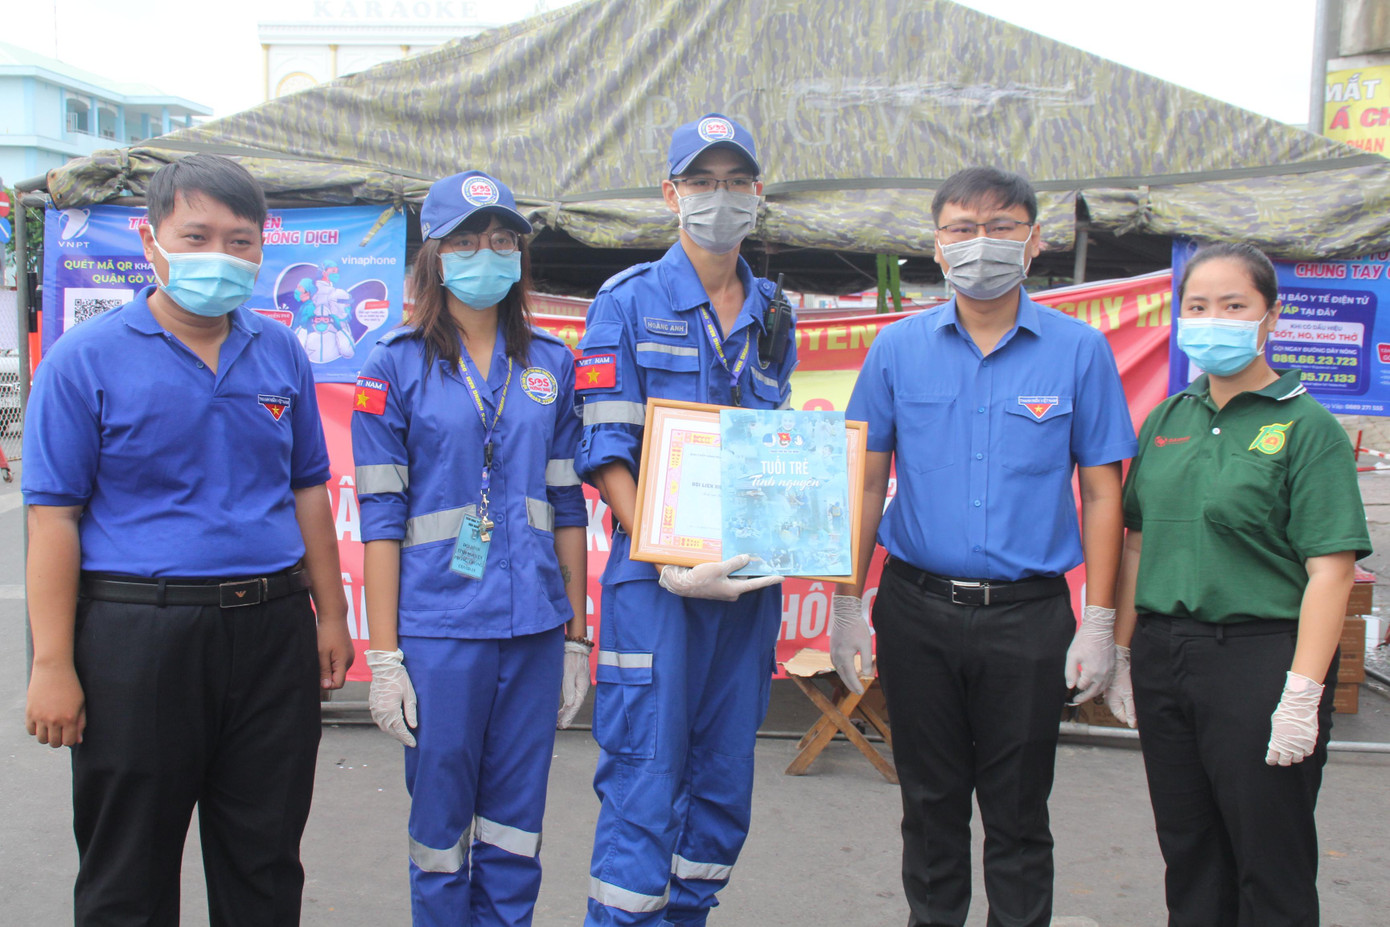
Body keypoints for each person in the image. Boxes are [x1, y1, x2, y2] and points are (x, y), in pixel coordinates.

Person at [21, 153, 353, 925]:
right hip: (138, 637)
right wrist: (52, 663)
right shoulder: (84, 359)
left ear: (261, 249)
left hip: (272, 633)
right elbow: (53, 518)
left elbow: (308, 488)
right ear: (151, 240)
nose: (219, 256)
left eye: (240, 241)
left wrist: (331, 616)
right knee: (127, 872)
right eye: (196, 236)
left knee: (265, 862)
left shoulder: (280, 351)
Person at [830, 166, 1138, 927]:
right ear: (938, 246)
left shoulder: (1079, 351)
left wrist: (1101, 623)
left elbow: (1104, 493)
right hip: (917, 609)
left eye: (1001, 227)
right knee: (929, 805)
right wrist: (845, 602)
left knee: (1019, 811)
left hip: (1028, 619)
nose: (981, 244)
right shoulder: (897, 349)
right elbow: (865, 484)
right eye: (962, 229)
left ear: (1033, 242)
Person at [1106, 242, 1369, 927]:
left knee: (1269, 858)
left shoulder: (1307, 427)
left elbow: (1332, 570)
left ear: (1270, 316)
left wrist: (1302, 693)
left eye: (1233, 305)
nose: (1212, 320)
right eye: (1197, 306)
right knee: (1189, 850)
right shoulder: (1167, 419)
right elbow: (1137, 543)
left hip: (1259, 659)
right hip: (1166, 654)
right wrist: (1122, 650)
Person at [573, 112, 794, 927]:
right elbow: (607, 451)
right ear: (671, 194)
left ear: (757, 194)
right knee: (645, 779)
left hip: (745, 586)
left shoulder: (775, 311)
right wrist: (664, 554)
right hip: (656, 586)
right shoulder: (626, 302)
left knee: (722, 785)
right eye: (702, 181)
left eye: (735, 181)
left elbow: (773, 449)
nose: (719, 197)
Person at [352, 169, 589, 926]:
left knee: (516, 825)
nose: (486, 253)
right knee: (441, 825)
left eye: (502, 239)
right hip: (440, 629)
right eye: (465, 241)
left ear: (520, 253)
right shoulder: (392, 363)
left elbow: (567, 504)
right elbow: (381, 516)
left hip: (533, 627)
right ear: (434, 254)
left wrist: (576, 635)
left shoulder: (551, 362)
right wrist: (383, 657)